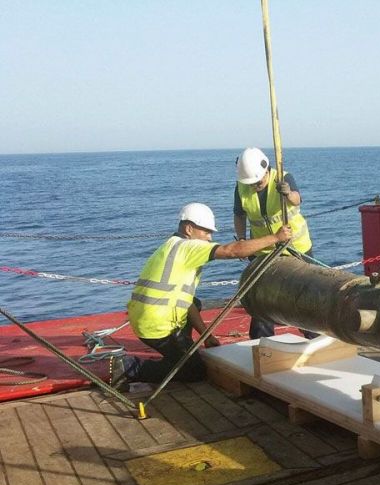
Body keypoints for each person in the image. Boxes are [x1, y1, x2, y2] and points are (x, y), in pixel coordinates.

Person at [116, 203, 292, 384]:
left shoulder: (170, 245)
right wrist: (276, 237)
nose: (209, 238)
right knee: (195, 371)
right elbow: (232, 251)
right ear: (189, 229)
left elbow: (187, 302)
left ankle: (181, 349)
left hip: (146, 317)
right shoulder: (189, 247)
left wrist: (206, 336)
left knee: (196, 303)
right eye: (206, 232)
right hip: (157, 327)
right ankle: (129, 367)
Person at [233, 147, 317, 339]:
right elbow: (239, 215)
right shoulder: (241, 187)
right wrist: (242, 240)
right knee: (261, 296)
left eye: (258, 181)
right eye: (250, 183)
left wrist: (288, 194)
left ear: (266, 171)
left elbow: (297, 200)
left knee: (305, 293)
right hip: (263, 249)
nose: (254, 185)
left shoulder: (283, 177)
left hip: (295, 246)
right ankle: (262, 342)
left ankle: (314, 337)